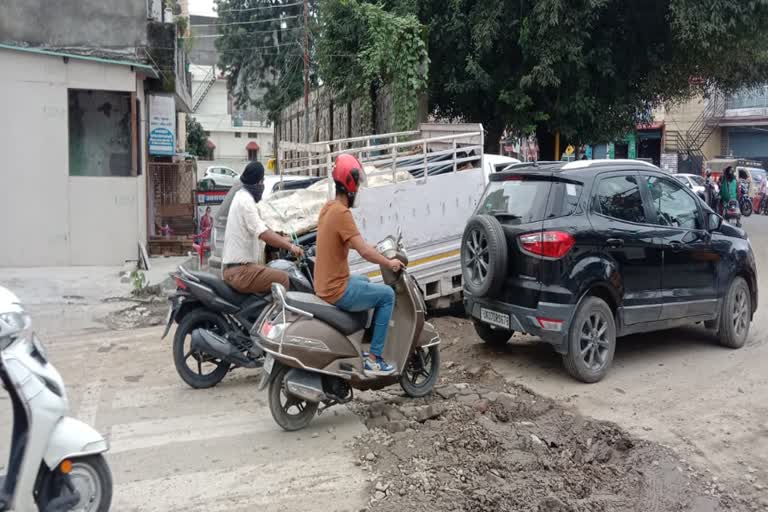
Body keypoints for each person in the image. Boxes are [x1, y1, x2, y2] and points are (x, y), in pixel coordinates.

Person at [314, 154, 403, 376]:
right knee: (386, 296)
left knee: (364, 280)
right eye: (358, 185)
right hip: (336, 289)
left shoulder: (328, 208)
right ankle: (374, 358)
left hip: (324, 284)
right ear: (351, 183)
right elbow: (363, 251)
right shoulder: (342, 213)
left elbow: (353, 242)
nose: (358, 191)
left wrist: (372, 247)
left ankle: (360, 342)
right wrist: (389, 262)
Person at [222, 161, 303, 294]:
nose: (263, 185)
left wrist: (283, 238)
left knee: (270, 270)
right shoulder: (246, 202)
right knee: (283, 278)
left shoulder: (241, 196)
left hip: (238, 269)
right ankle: (278, 315)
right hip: (240, 271)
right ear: (257, 182)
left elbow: (262, 227)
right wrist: (291, 247)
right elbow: (263, 233)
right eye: (262, 181)